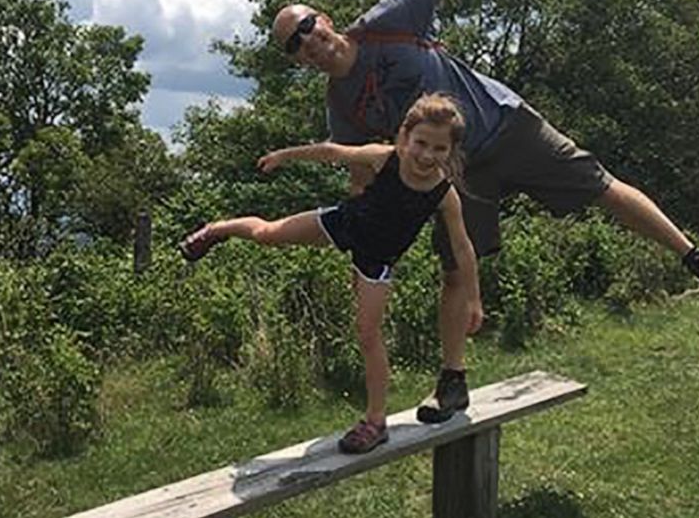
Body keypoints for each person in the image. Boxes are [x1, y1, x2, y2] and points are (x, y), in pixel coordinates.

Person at [269, 0, 699, 425]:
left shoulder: (388, 22)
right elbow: (362, 176)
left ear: (326, 19)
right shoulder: (342, 108)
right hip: (453, 177)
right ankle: (452, 384)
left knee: (599, 185)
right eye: (294, 44)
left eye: (308, 27)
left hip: (506, 125)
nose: (308, 42)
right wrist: (367, 242)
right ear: (299, 60)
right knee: (455, 270)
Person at [179, 94, 482, 453]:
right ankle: (218, 229)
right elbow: (333, 152)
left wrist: (474, 299)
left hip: (378, 259)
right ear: (405, 137)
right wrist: (285, 155)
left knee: (368, 334)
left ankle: (375, 420)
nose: (427, 155)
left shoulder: (443, 195)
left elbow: (463, 248)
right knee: (268, 234)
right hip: (345, 222)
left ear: (451, 151)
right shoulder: (385, 157)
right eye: (420, 143)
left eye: (439, 148)